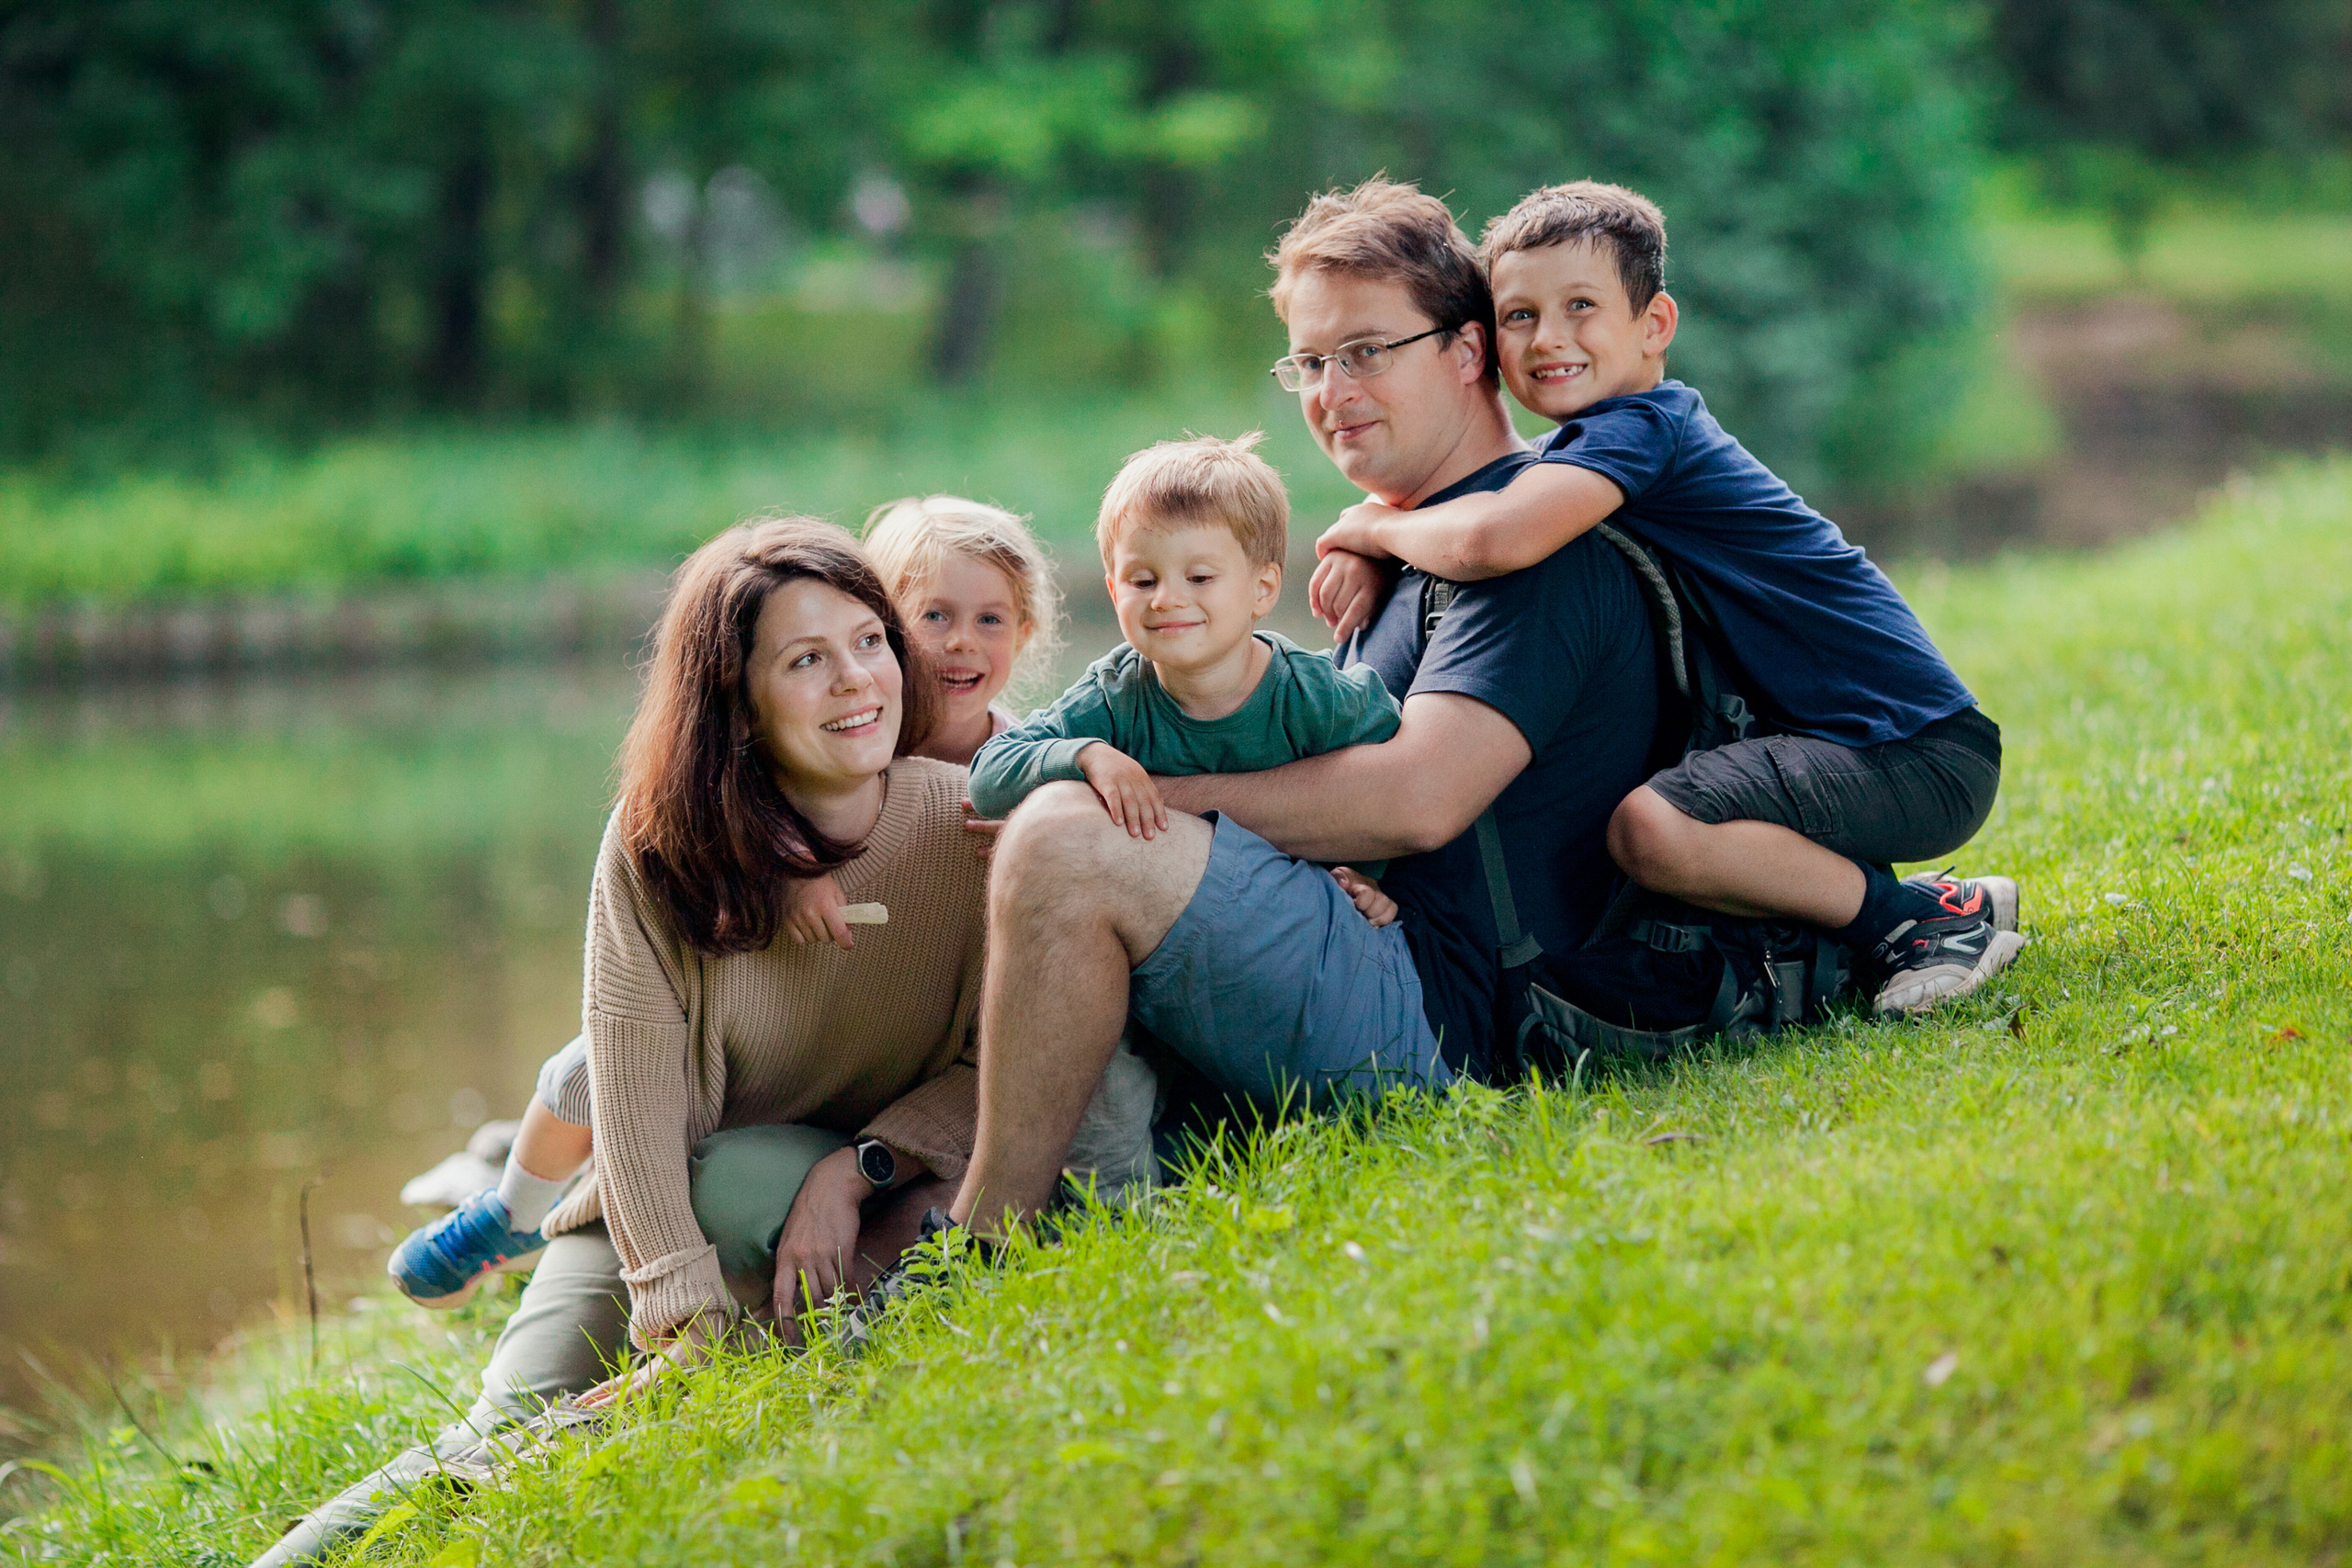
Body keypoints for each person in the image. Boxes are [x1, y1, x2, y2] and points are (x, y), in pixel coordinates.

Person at [927, 179, 1663, 1247]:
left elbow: (1415, 802)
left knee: (1066, 839)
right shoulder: (1398, 552)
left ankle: (984, 1241)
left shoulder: (1533, 559)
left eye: (1365, 351)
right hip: (1365, 946)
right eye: (1311, 364)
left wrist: (1144, 808)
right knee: (997, 818)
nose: (1331, 391)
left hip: (1451, 1023)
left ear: (1466, 351)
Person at [257, 519, 997, 1566]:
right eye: (806, 660)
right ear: (738, 703)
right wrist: (677, 1296)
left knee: (701, 1265)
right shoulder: (660, 847)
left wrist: (861, 1161)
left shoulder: (972, 826)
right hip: (649, 1203)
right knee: (500, 1434)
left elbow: (1005, 1068)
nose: (855, 682)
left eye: (869, 641)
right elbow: (634, 1091)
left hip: (833, 1198)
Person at [1310, 181, 2020, 1018]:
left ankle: (1916, 923)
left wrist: (1371, 526)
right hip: (1858, 743)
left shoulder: (1644, 428)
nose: (1550, 339)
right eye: (1522, 316)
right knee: (1673, 822)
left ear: (1655, 327)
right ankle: (1930, 904)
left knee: (1656, 829)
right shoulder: (1577, 454)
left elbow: (1487, 539)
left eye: (1582, 307)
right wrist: (1377, 543)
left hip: (1913, 746)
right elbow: (1478, 509)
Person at [387, 495, 1065, 1310]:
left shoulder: (1014, 768)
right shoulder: (822, 743)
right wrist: (791, 869)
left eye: (991, 618)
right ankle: (515, 1211)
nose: (961, 642)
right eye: (933, 617)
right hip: (749, 1073)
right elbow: (764, 800)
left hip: (888, 1097)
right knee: (588, 1071)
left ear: (1025, 632)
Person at [967, 432, 1401, 931]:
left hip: (1294, 926)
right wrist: (1087, 756)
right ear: (1114, 591)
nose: (1167, 599)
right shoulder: (1115, 695)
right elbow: (987, 777)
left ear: (1262, 589)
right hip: (1168, 929)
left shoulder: (1314, 695)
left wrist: (1367, 876)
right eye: (1143, 581)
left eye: (1198, 578)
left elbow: (1393, 778)